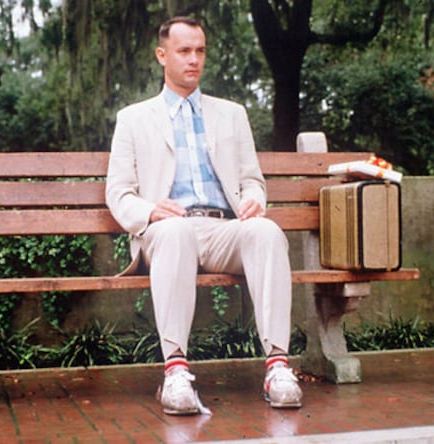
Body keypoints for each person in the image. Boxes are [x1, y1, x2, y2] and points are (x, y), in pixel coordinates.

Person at [106, 16, 302, 415]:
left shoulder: (231, 114)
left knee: (265, 232)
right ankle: (175, 372)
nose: (193, 60)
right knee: (176, 230)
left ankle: (277, 366)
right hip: (164, 231)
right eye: (184, 51)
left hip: (221, 229)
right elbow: (119, 193)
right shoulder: (134, 118)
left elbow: (252, 180)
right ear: (162, 55)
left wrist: (254, 201)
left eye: (200, 51)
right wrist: (149, 210)